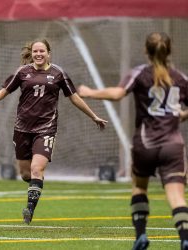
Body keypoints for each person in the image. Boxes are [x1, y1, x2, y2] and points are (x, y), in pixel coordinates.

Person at [0, 39, 107, 225]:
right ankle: (35, 184)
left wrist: (93, 116)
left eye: (42, 51)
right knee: (25, 174)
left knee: (37, 169)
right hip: (22, 128)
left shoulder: (58, 73)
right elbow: (4, 91)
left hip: (46, 128)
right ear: (32, 53)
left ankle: (29, 209)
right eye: (36, 51)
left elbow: (74, 97)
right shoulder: (22, 72)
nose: (38, 54)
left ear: (48, 53)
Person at [77, 32, 188, 250]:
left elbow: (118, 94)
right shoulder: (180, 78)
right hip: (173, 145)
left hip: (146, 143)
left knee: (139, 186)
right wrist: (182, 114)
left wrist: (90, 92)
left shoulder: (140, 74)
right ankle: (185, 239)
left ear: (146, 51)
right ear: (169, 52)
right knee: (176, 196)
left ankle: (141, 236)